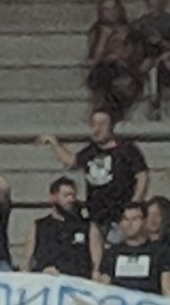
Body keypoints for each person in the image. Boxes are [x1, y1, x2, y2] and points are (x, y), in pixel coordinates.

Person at [42, 109, 149, 277]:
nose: (97, 128)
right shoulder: (90, 151)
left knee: (120, 254)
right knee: (98, 260)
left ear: (111, 126)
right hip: (97, 215)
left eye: (102, 124)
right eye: (94, 124)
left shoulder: (127, 149)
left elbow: (142, 175)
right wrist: (54, 144)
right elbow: (71, 161)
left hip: (121, 213)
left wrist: (135, 203)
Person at [84, 0, 145, 120]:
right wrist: (104, 38)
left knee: (123, 85)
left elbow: (135, 55)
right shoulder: (97, 31)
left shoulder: (131, 30)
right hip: (104, 71)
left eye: (113, 8)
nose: (111, 13)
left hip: (126, 70)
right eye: (106, 9)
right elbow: (92, 60)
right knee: (104, 75)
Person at [26, 177, 89, 275]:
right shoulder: (40, 226)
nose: (70, 199)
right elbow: (27, 261)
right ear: (53, 198)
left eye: (73, 196)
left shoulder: (84, 226)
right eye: (66, 196)